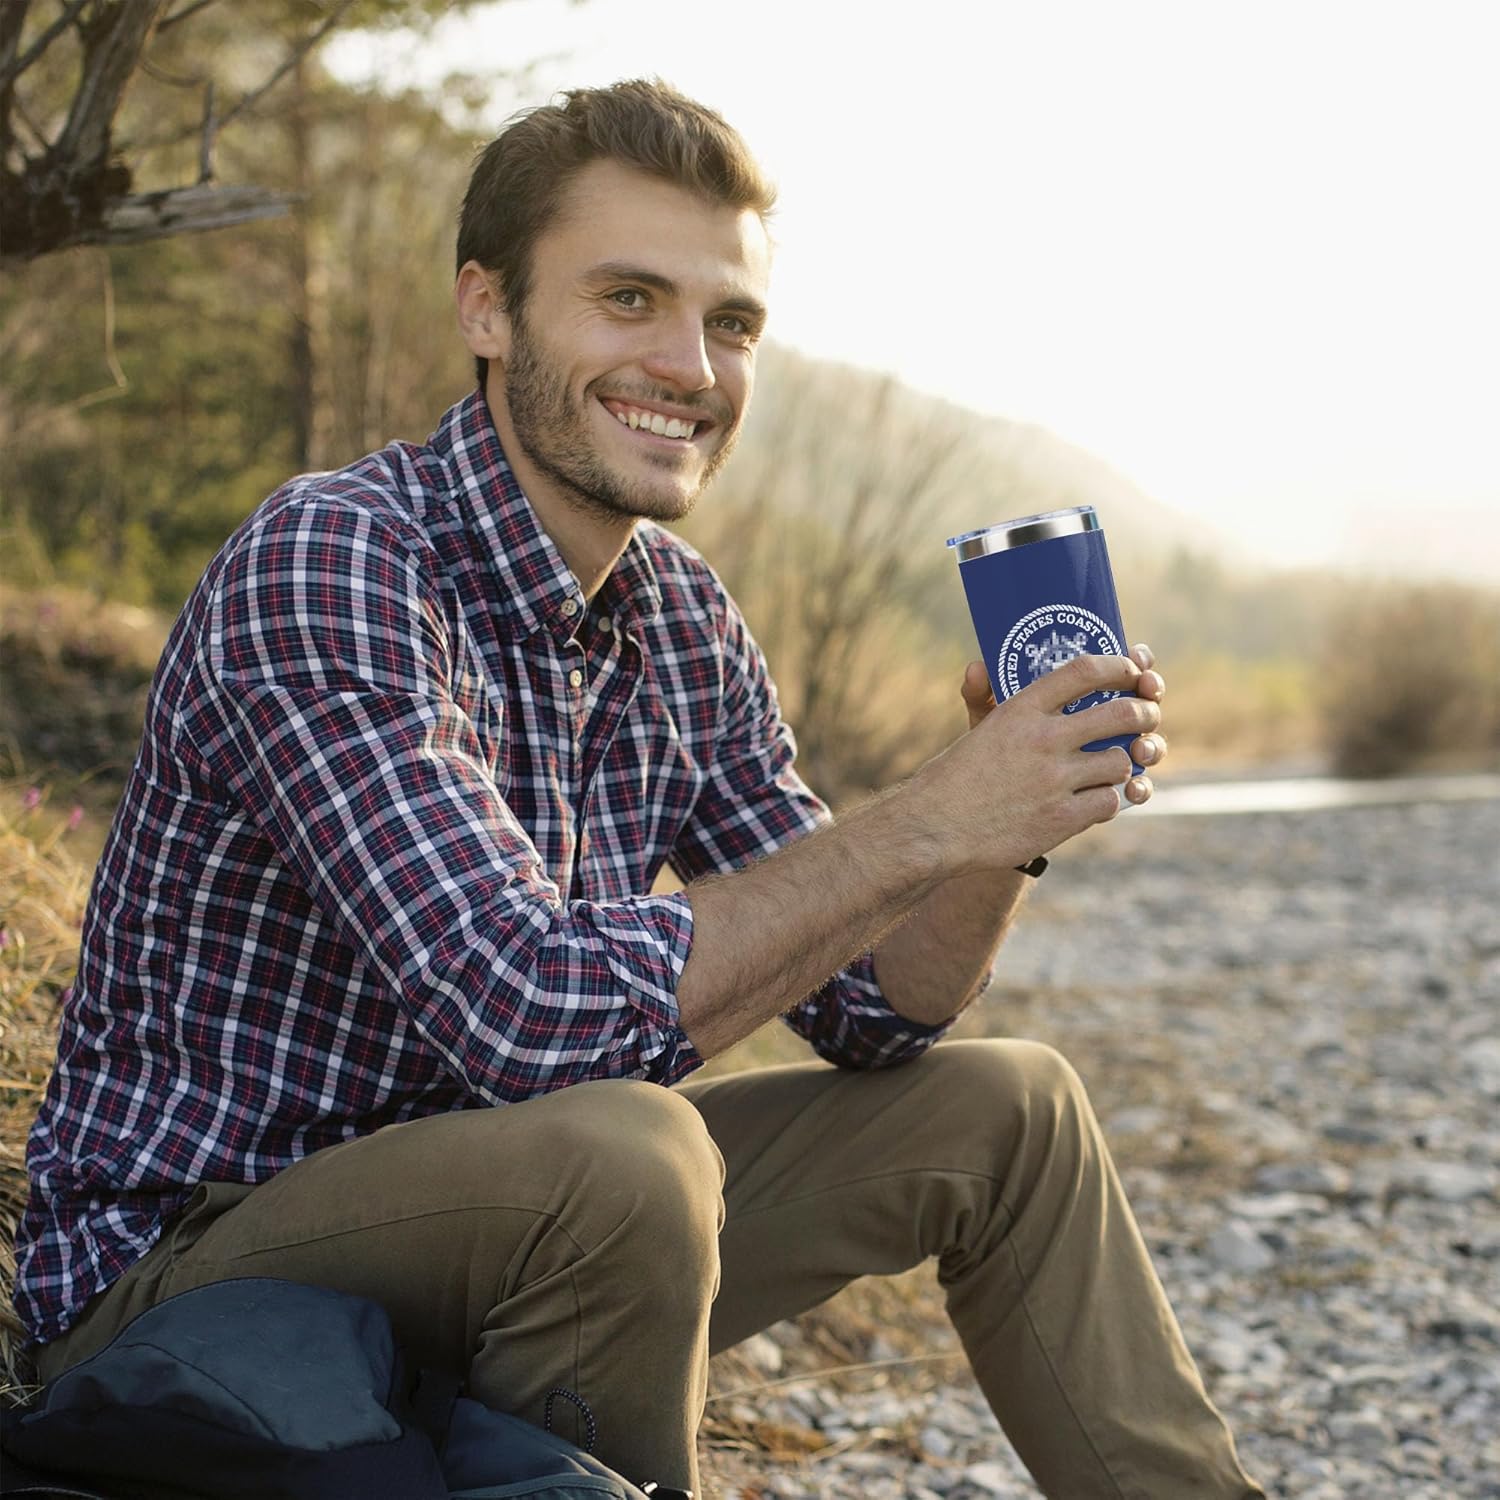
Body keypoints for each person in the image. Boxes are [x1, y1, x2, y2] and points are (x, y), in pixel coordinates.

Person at [14, 79, 1263, 1498]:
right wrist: (930, 814)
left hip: (535, 1240)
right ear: (488, 313)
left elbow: (871, 1009)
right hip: (196, 1286)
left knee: (1009, 1111)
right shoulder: (337, 560)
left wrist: (1001, 825)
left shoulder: (681, 619)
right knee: (626, 1146)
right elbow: (525, 1020)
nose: (692, 363)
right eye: (627, 299)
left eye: (731, 323)